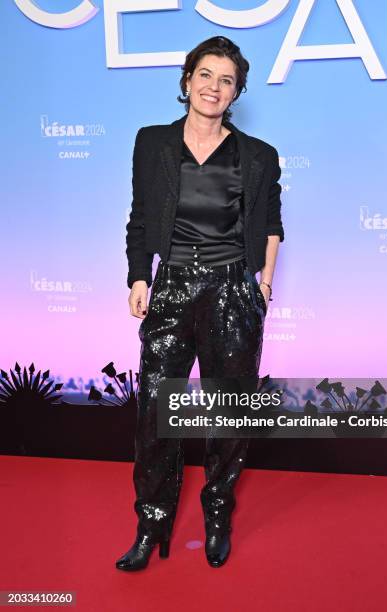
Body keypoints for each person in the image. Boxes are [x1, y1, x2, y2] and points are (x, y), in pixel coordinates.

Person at [116, 35, 284, 571]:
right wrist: (139, 276)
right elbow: (140, 218)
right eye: (205, 75)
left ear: (236, 93)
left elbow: (273, 227)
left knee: (228, 416)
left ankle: (217, 515)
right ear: (187, 81)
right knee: (156, 416)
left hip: (234, 290)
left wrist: (263, 286)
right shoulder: (153, 143)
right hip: (172, 287)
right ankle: (152, 526)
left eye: (226, 80)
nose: (214, 87)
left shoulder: (258, 155)